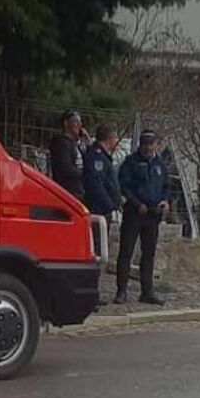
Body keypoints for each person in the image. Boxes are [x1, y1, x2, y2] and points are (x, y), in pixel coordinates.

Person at [115, 130, 170, 306]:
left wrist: (166, 201)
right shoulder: (131, 162)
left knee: (148, 254)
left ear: (156, 145)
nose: (147, 147)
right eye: (145, 143)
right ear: (140, 144)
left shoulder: (160, 164)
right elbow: (124, 185)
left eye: (151, 143)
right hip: (135, 213)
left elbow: (167, 186)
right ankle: (121, 291)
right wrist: (137, 203)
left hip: (153, 215)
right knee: (126, 252)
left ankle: (147, 291)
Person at [84, 123, 121, 253]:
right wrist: (109, 206)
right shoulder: (97, 157)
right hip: (99, 209)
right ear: (110, 138)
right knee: (96, 246)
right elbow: (96, 184)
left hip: (105, 210)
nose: (116, 142)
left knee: (101, 245)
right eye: (115, 138)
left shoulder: (104, 157)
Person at [49, 110, 90, 201]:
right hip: (68, 193)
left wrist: (87, 143)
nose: (79, 125)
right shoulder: (62, 143)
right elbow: (65, 169)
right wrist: (85, 173)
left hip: (79, 192)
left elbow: (88, 161)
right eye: (76, 121)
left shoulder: (76, 144)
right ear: (66, 123)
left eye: (80, 122)